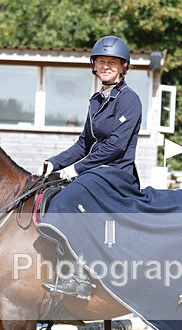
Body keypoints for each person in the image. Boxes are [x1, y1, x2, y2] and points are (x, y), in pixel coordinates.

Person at [36, 36, 143, 299]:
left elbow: (116, 146)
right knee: (49, 190)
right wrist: (55, 163)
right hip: (94, 171)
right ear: (94, 66)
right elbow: (84, 143)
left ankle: (78, 276)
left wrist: (77, 170)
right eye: (102, 61)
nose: (106, 66)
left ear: (123, 67)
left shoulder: (130, 100)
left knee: (68, 198)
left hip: (116, 173)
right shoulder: (95, 101)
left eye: (112, 62)